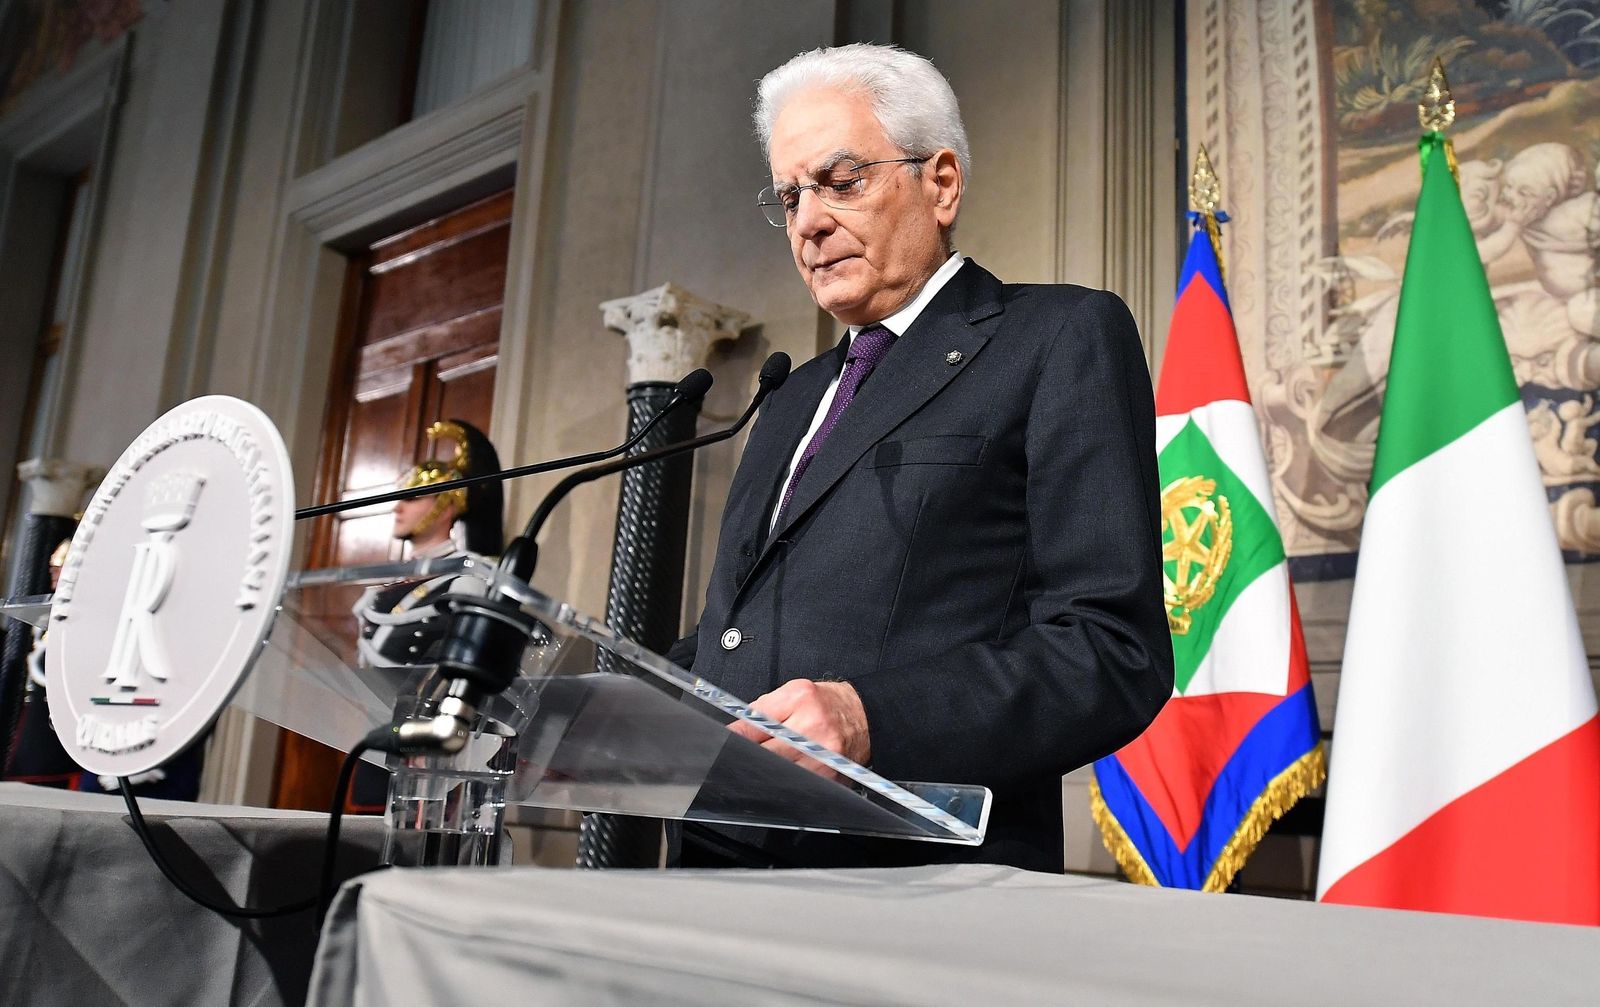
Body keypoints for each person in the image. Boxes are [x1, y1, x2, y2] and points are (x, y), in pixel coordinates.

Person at [665, 44, 1173, 872]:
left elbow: (1110, 649)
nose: (808, 221)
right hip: (718, 859)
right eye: (790, 196)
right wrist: (614, 710)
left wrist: (873, 719)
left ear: (940, 183)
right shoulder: (792, 393)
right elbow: (737, 632)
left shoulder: (1055, 338)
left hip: (909, 874)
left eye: (841, 180)